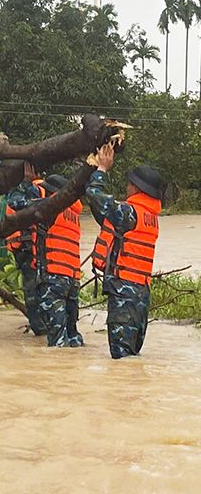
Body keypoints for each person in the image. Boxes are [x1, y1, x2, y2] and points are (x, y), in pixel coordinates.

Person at [86, 144, 162, 359]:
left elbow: (93, 195)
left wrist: (101, 168)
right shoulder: (151, 218)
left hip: (124, 293)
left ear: (137, 189)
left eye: (129, 184)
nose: (127, 188)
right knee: (131, 357)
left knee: (121, 359)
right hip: (141, 293)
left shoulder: (128, 213)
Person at [10, 173, 83, 347]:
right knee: (72, 335)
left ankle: (58, 370)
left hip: (54, 278)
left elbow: (15, 202)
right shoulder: (73, 212)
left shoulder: (49, 207)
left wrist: (26, 182)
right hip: (73, 279)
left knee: (57, 341)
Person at [5, 163, 47, 335]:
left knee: (33, 299)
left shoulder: (35, 191)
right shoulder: (48, 190)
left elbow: (14, 202)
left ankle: (42, 333)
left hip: (31, 255)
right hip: (36, 254)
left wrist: (25, 183)